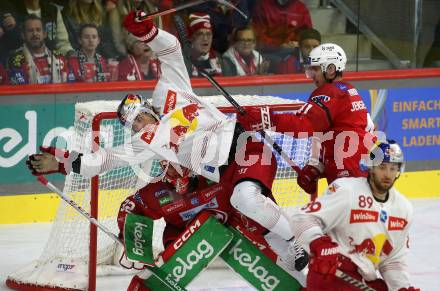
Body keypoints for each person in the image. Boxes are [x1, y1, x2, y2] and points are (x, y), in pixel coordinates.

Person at [26, 10, 309, 273]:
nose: (139, 125)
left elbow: (172, 50)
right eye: (133, 125)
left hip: (246, 147)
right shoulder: (146, 142)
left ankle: (303, 239)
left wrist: (148, 32)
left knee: (246, 199)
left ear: (149, 107)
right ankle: (290, 248)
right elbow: (102, 160)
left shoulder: (171, 92)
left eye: (139, 117)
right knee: (245, 201)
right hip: (224, 172)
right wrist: (62, 161)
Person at [289, 140, 419, 291]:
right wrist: (319, 244)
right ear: (371, 167)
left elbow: (393, 260)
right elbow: (302, 218)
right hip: (330, 272)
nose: (387, 174)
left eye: (393, 168)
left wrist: (401, 287)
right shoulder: (347, 190)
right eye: (382, 167)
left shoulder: (403, 209)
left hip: (362, 279)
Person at [270, 43, 376, 194]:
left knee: (345, 212)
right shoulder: (348, 89)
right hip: (357, 162)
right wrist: (318, 166)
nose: (312, 76)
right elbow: (335, 132)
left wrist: (268, 120)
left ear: (330, 69)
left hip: (346, 165)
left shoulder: (328, 92)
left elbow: (302, 126)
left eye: (315, 69)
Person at [7, 14, 68, 85]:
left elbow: (68, 84)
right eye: (30, 30)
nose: (35, 34)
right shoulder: (16, 60)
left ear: (45, 34)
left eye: (38, 30)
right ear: (23, 35)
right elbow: (20, 89)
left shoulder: (59, 56)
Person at [251, 0, 312, 67]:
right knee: (282, 62)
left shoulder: (301, 8)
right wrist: (279, 45)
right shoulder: (263, 5)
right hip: (268, 52)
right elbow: (258, 38)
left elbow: (307, 34)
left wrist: (298, 42)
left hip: (294, 51)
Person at [186, 12, 223, 77]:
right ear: (191, 38)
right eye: (200, 34)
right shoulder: (183, 60)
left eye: (208, 34)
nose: (205, 39)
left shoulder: (221, 60)